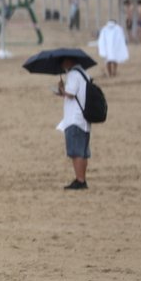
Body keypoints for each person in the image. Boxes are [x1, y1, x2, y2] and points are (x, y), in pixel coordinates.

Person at [57, 57, 92, 190]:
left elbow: (70, 94)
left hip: (74, 118)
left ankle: (80, 180)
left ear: (69, 61)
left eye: (63, 61)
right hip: (84, 118)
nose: (62, 65)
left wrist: (61, 89)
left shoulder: (73, 74)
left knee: (76, 152)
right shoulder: (84, 73)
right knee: (82, 152)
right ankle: (82, 178)